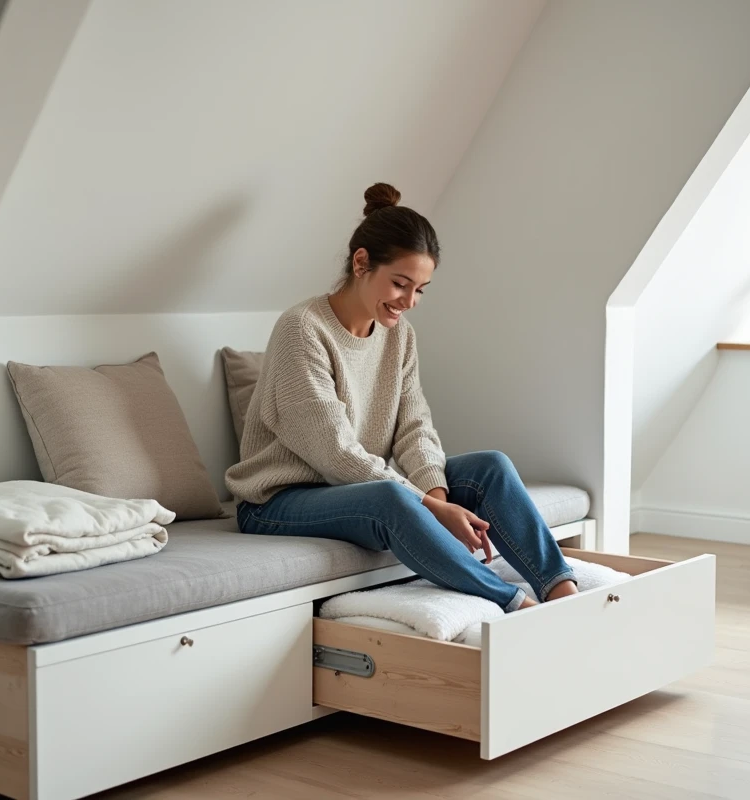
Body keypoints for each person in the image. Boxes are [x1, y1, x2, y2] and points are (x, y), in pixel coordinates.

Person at [225, 183, 577, 611]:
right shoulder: (302, 329)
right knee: (390, 498)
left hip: (350, 490)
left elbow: (414, 427)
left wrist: (439, 500)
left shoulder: (399, 336)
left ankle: (563, 594)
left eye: (421, 289)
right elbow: (335, 453)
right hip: (277, 502)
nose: (409, 301)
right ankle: (513, 604)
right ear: (361, 263)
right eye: (400, 284)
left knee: (490, 467)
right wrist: (426, 505)